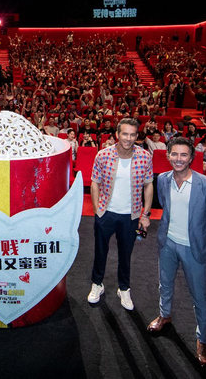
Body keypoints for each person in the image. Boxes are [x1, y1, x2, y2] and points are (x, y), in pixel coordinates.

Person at [148, 136, 206, 367]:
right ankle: (164, 315)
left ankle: (203, 341)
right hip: (168, 243)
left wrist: (200, 236)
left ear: (191, 157)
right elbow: (165, 205)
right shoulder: (163, 179)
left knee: (199, 296)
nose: (178, 159)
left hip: (194, 248)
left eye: (184, 155)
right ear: (168, 155)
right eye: (174, 154)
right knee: (165, 284)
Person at [88, 118, 153, 310]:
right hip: (106, 213)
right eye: (125, 133)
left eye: (133, 134)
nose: (128, 138)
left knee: (126, 254)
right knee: (100, 252)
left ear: (137, 136)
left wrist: (146, 214)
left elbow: (148, 185)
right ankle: (97, 284)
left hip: (130, 217)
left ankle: (124, 288)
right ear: (117, 134)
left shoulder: (145, 157)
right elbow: (95, 182)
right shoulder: (103, 155)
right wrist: (97, 211)